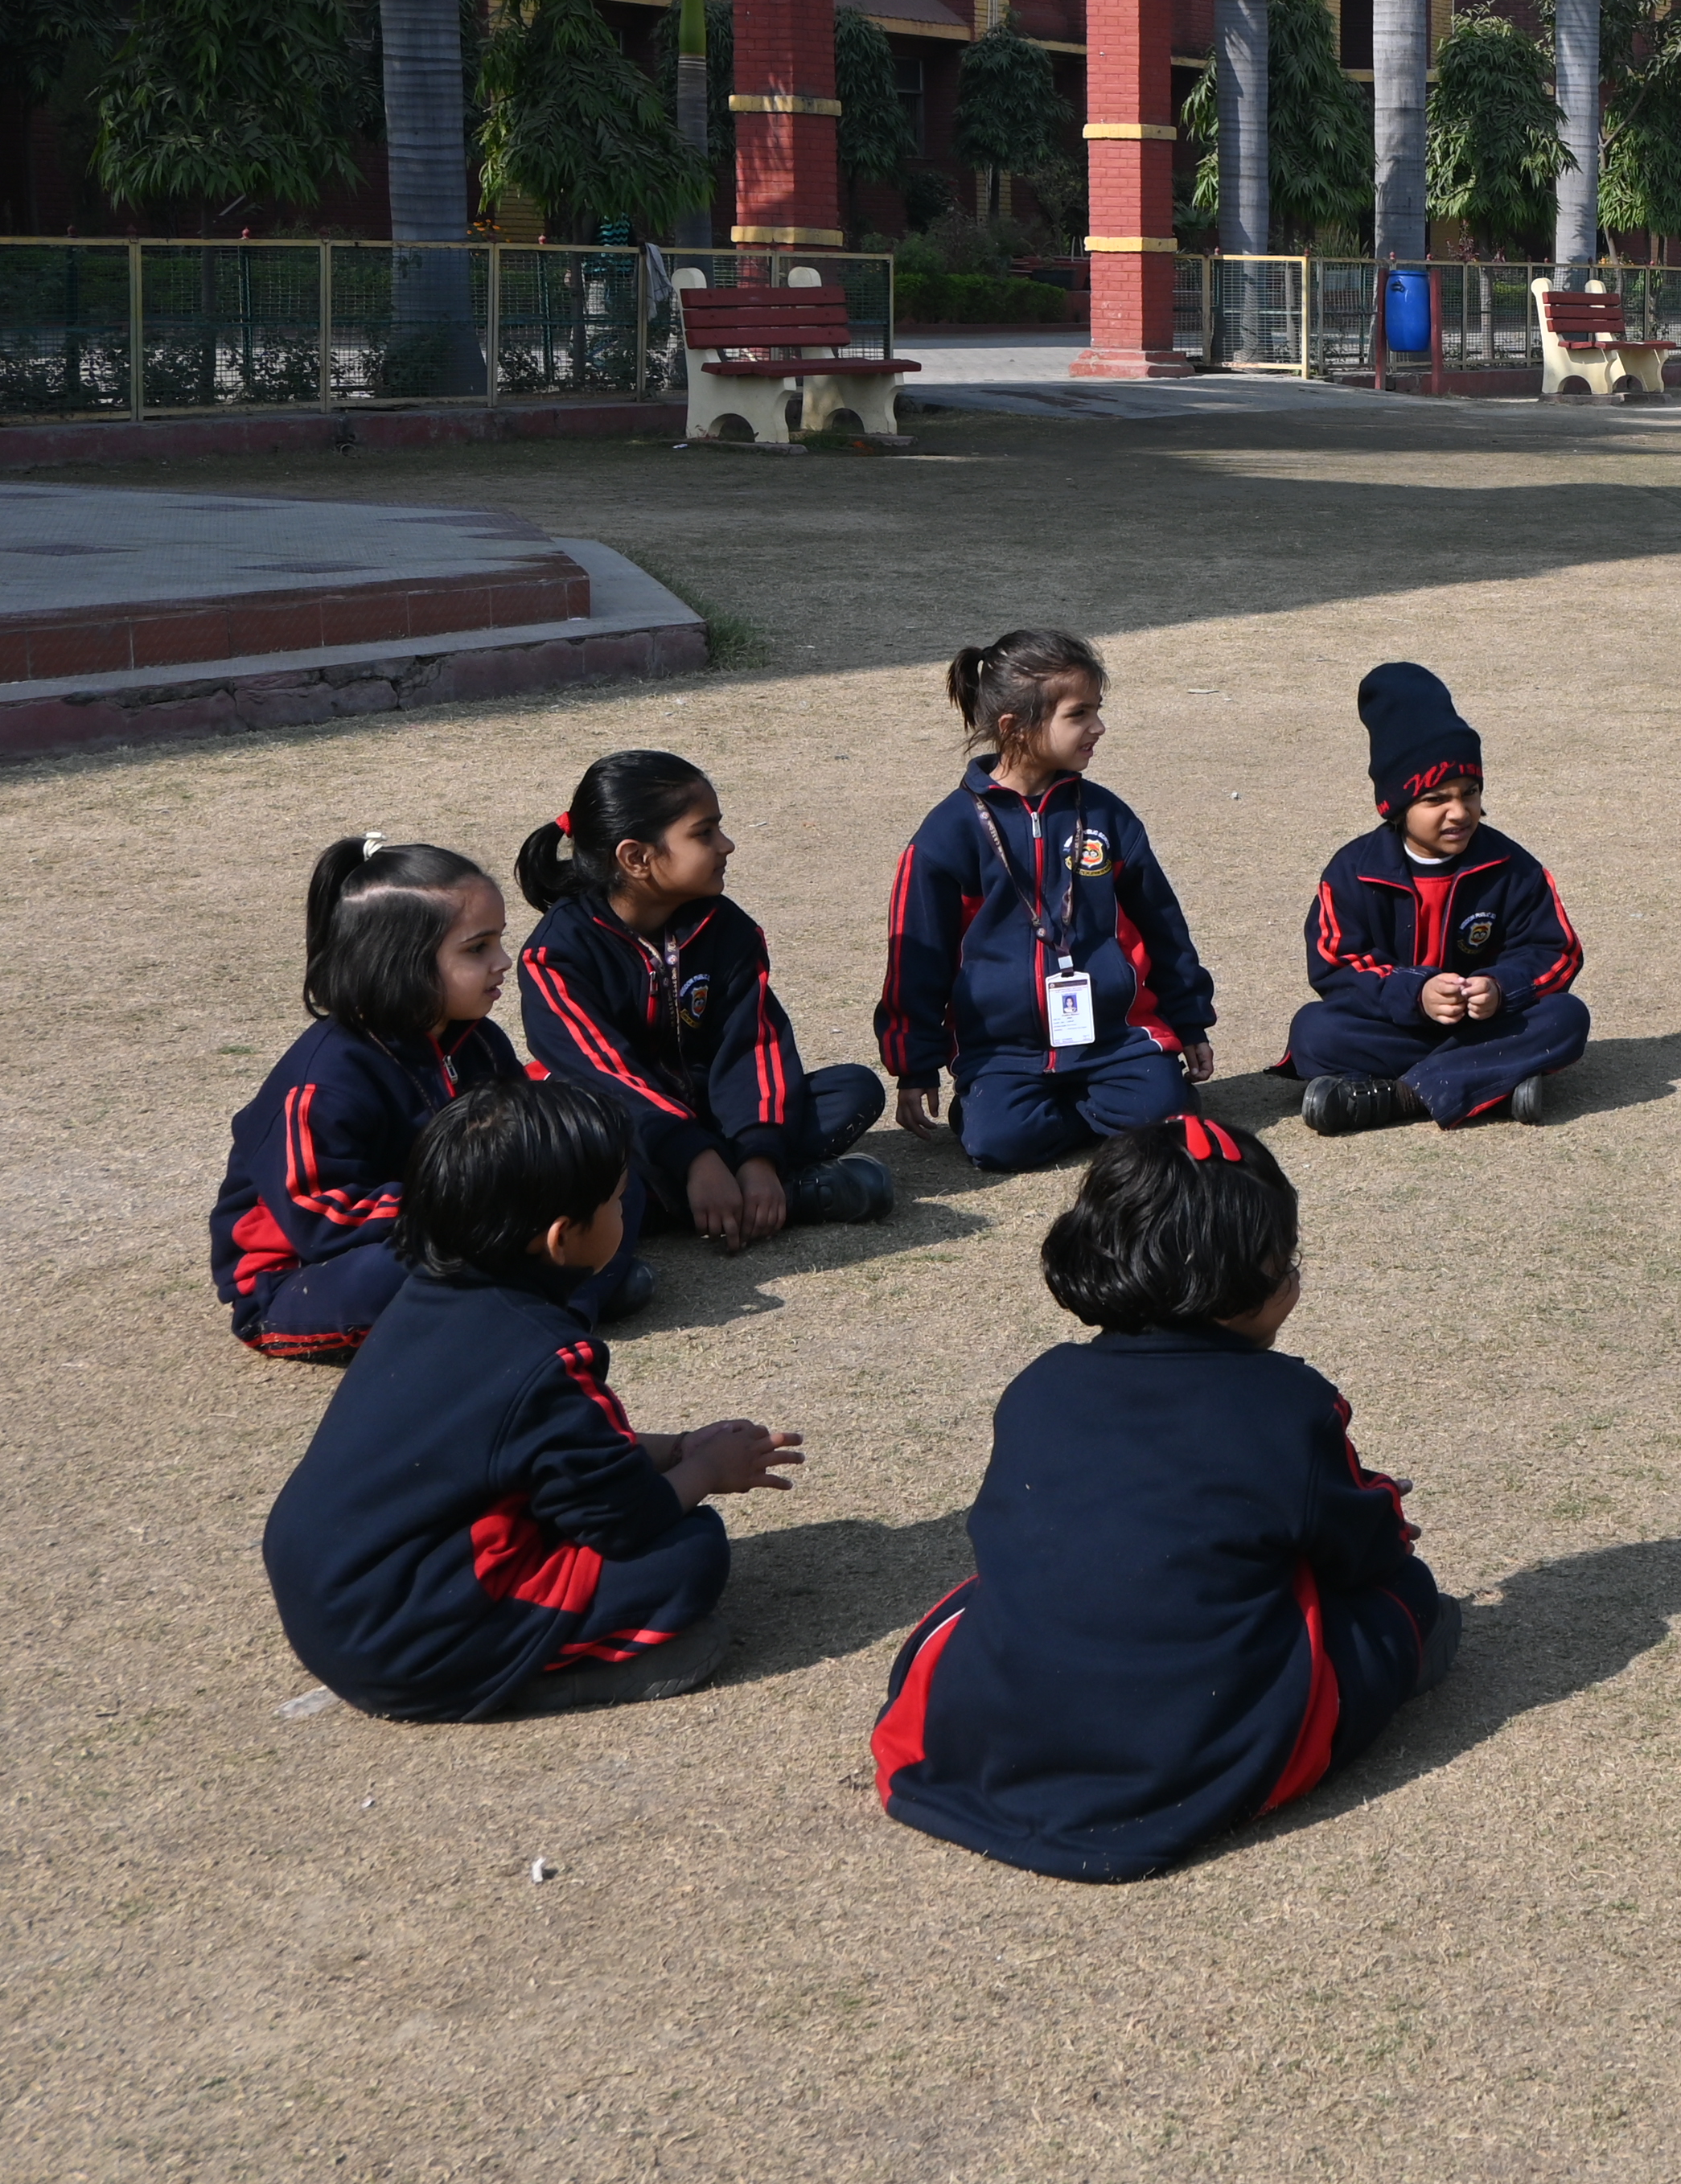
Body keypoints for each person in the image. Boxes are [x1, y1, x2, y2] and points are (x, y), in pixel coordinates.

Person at [871, 1116, 1457, 1879]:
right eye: (1290, 1255)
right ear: (1253, 1269)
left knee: (979, 1602)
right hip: (1185, 1761)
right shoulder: (1287, 1404)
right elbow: (1368, 1550)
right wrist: (1380, 1505)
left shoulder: (1038, 1387)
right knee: (1405, 1596)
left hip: (986, 1738)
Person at [262, 1076, 799, 1719]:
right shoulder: (545, 1353)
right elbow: (626, 1520)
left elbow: (551, 1455)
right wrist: (707, 1471)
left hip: (336, 1600)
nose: (627, 1219)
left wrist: (679, 1447)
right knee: (690, 1549)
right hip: (410, 1643)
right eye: (619, 1204)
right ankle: (532, 1679)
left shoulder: (428, 1299)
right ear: (560, 1238)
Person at [517, 749, 891, 1257]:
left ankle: (738, 1195)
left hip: (713, 1118)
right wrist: (694, 1157)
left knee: (853, 1089)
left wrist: (759, 1155)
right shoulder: (556, 954)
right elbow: (605, 1077)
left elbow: (753, 1046)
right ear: (636, 858)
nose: (727, 845)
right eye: (704, 833)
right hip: (628, 1132)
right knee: (570, 1165)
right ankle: (769, 1197)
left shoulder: (726, 929)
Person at [880, 628, 1216, 1174]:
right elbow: (916, 961)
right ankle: (1037, 1113)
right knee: (999, 1145)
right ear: (1015, 728)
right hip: (1003, 1050)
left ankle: (1121, 1105)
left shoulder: (1108, 817)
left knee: (1165, 1119)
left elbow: (1163, 927)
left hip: (1115, 1038)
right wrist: (914, 1066)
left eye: (1097, 710)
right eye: (1079, 714)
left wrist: (1190, 1022)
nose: (1098, 727)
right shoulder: (948, 834)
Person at [215, 837, 532, 1357]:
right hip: (305, 1277)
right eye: (478, 948)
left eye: (499, 940)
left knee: (591, 1192)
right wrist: (473, 1205)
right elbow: (321, 1221)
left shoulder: (479, 1039)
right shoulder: (321, 1083)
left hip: (451, 1226)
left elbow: (521, 1136)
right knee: (426, 1266)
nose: (503, 960)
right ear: (399, 961)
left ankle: (540, 1292)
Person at [1285, 662, 1591, 1136]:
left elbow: (1556, 951)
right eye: (1435, 799)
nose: (1459, 812)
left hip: (1484, 1024)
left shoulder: (1512, 866)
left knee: (1566, 1018)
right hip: (1397, 1025)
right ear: (1397, 806)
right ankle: (1492, 1082)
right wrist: (1417, 994)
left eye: (1470, 793)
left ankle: (1399, 1096)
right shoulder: (1353, 869)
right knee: (1314, 1031)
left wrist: (1499, 988)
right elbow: (1336, 963)